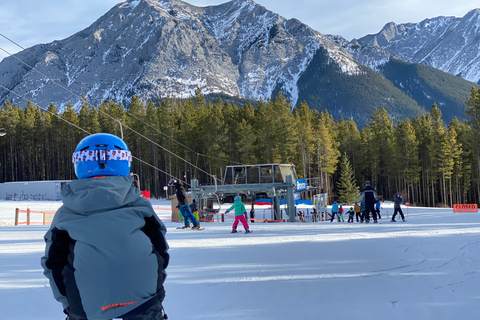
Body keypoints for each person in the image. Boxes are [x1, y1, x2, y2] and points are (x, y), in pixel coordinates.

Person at [41, 133, 169, 320]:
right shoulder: (141, 206)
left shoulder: (66, 214)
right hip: (145, 301)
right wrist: (154, 290)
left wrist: (71, 306)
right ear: (125, 162)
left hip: (86, 307)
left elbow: (53, 264)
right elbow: (161, 251)